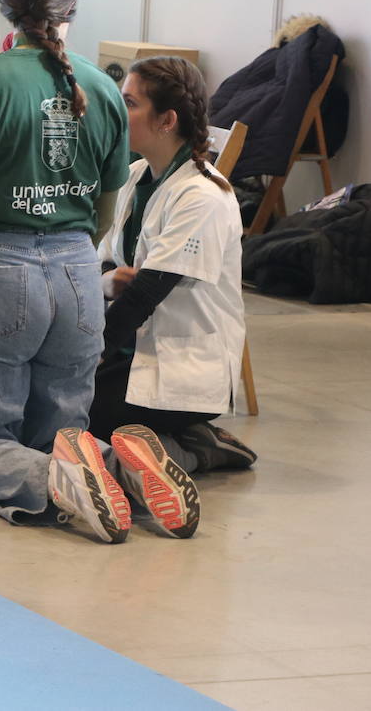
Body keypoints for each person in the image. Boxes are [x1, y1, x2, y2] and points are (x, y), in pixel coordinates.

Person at [0, 0, 197, 544]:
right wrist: (65, 255)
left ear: (6, 9)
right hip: (75, 274)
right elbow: (103, 212)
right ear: (70, 10)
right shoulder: (103, 89)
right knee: (59, 434)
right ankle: (119, 466)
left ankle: (66, 479)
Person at [91, 56, 257, 475]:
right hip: (138, 351)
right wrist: (107, 280)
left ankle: (192, 451)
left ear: (166, 120)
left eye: (129, 103)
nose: (117, 111)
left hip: (181, 369)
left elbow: (147, 293)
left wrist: (89, 355)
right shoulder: (135, 176)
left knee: (73, 413)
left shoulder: (203, 197)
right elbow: (104, 261)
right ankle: (182, 439)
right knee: (53, 400)